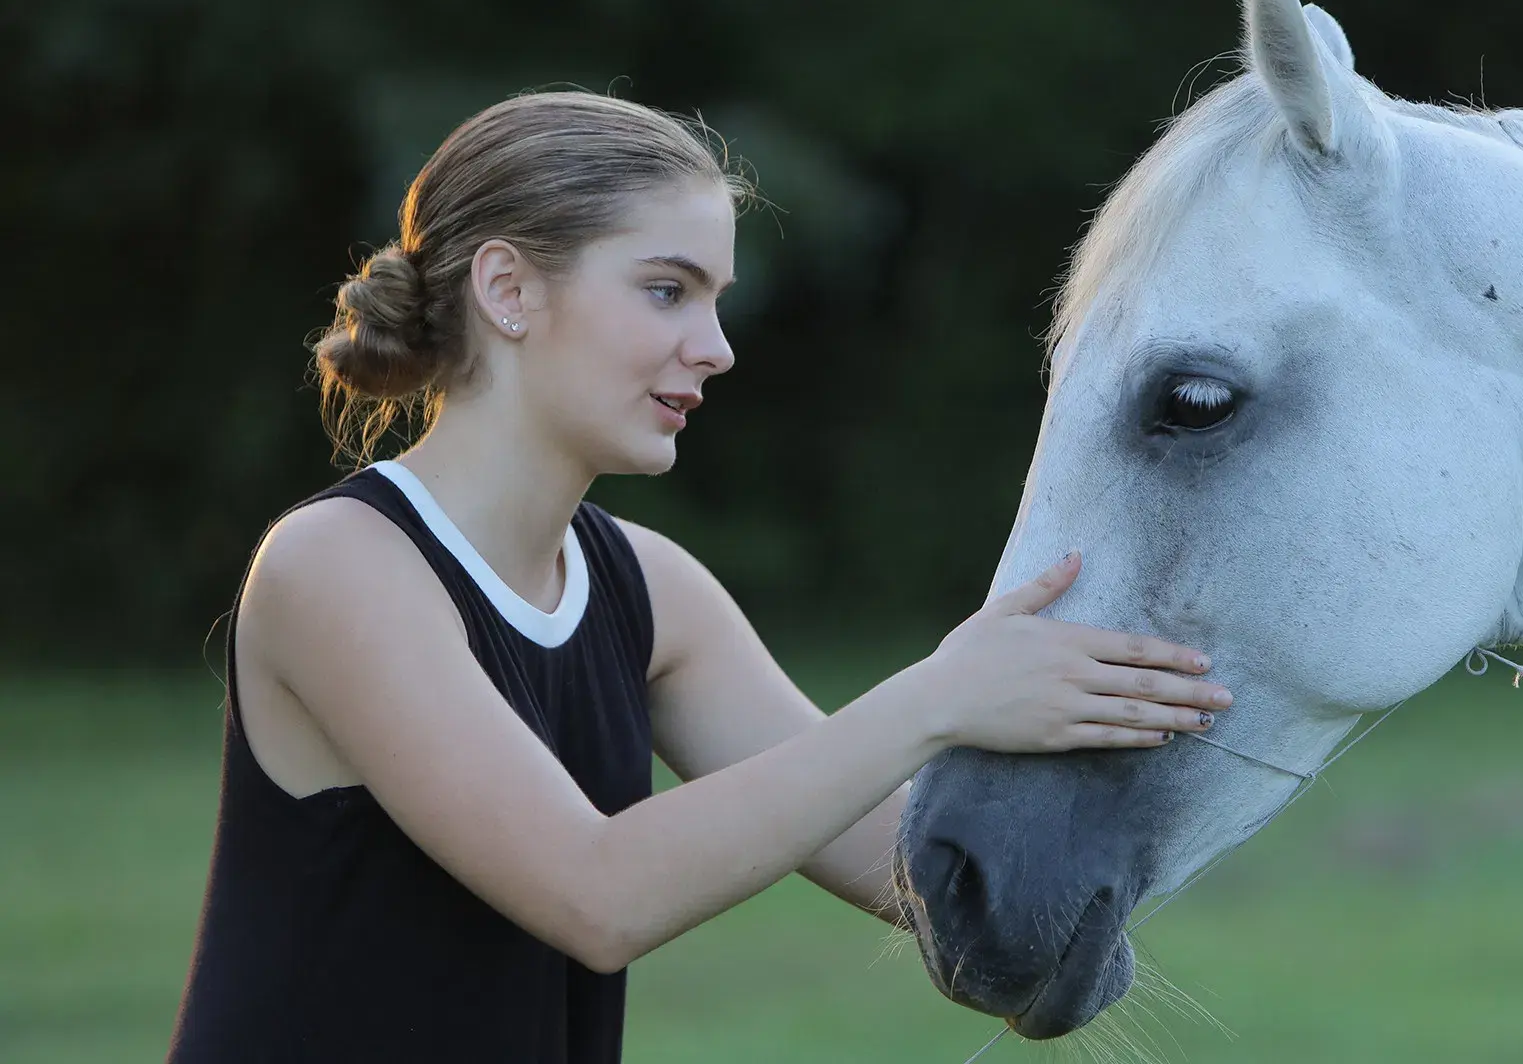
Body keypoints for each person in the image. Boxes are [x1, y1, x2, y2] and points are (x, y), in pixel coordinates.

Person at [166, 89, 1232, 1064]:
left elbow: (897, 863)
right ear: (507, 289)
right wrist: (943, 692)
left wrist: (1158, 737)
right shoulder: (339, 567)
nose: (715, 347)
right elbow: (596, 893)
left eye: (715, 298)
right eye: (667, 291)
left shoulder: (649, 590)